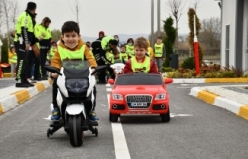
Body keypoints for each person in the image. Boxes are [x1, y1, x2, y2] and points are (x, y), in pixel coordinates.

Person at [50, 21, 98, 121]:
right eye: (67, 36)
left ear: (79, 36)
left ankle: (91, 109)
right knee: (55, 84)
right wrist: (54, 71)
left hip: (82, 76)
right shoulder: (60, 49)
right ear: (62, 37)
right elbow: (55, 61)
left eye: (73, 35)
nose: (70, 39)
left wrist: (94, 67)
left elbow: (90, 58)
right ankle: (56, 107)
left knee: (93, 86)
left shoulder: (84, 48)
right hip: (65, 76)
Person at [15, 2, 37, 87]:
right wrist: (27, 42)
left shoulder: (28, 16)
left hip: (24, 41)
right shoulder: (26, 16)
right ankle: (20, 80)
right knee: (21, 60)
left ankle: (24, 80)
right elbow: (24, 29)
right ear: (34, 9)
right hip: (21, 41)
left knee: (26, 61)